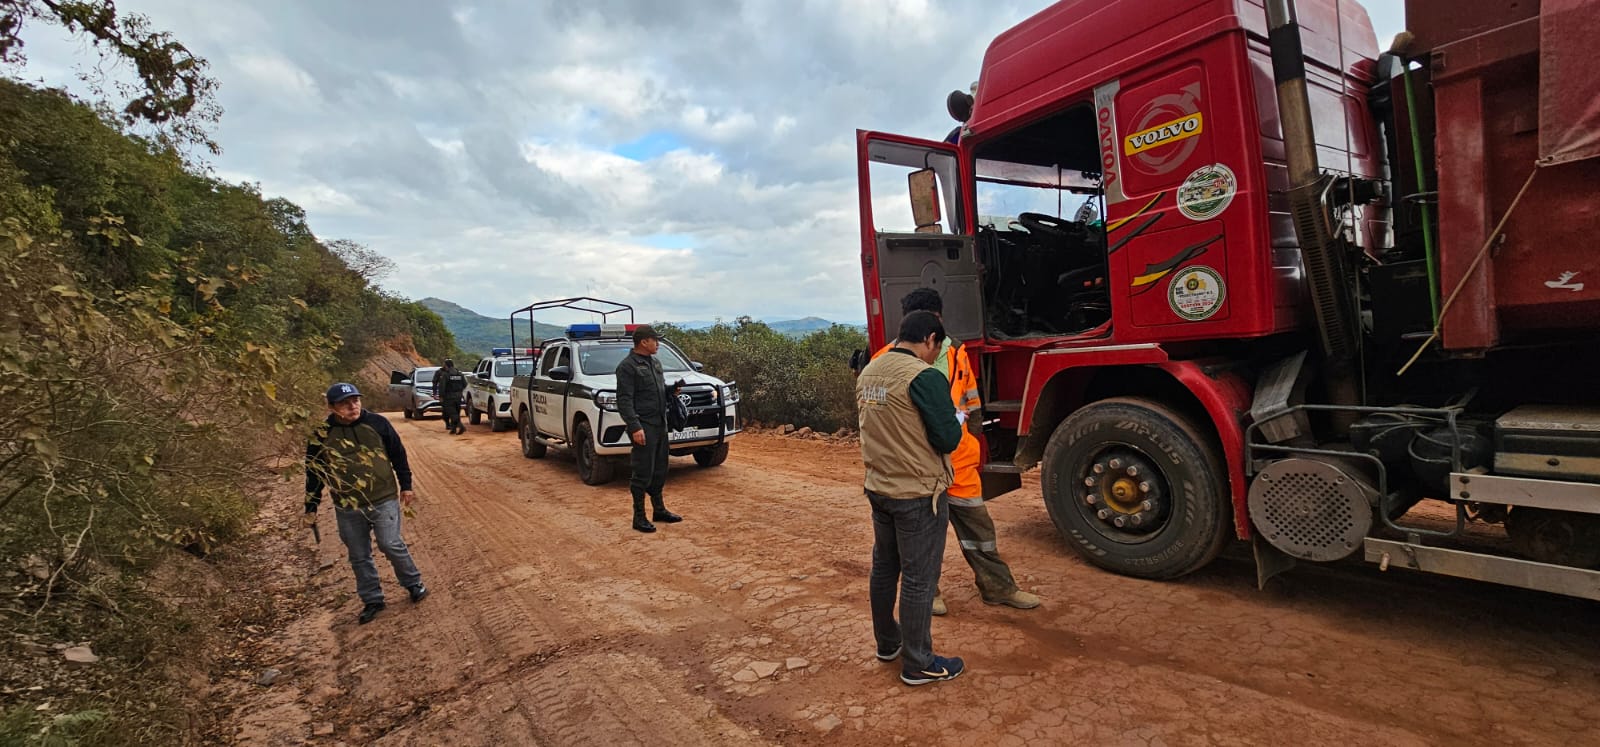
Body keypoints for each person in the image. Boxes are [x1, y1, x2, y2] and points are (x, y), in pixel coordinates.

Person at [877, 289, 1041, 616]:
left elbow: (969, 397)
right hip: (918, 465)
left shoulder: (956, 353)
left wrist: (975, 431)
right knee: (922, 537)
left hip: (960, 461)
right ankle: (928, 592)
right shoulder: (884, 359)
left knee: (979, 530)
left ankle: (998, 587)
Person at [857, 310, 966, 686]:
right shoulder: (925, 377)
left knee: (885, 568)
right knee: (920, 578)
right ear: (931, 339)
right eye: (937, 347)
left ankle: (888, 643)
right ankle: (918, 662)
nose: (935, 354)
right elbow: (947, 438)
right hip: (918, 493)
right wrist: (956, 421)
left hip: (880, 487)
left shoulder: (869, 372)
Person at [304, 383, 428, 624]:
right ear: (331, 407)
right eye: (345, 403)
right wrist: (311, 506)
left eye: (355, 400)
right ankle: (372, 600)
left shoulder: (378, 423)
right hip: (347, 505)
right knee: (359, 555)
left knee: (390, 543)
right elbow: (314, 472)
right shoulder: (321, 433)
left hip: (383, 497)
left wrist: (407, 485)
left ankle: (414, 583)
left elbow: (398, 454)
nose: (353, 406)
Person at [615, 325, 683, 533]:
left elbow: (657, 390)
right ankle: (639, 517)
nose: (658, 344)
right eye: (655, 340)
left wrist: (671, 390)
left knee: (660, 469)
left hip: (660, 424)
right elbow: (624, 400)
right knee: (642, 471)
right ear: (644, 342)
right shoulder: (627, 367)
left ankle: (659, 510)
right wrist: (634, 426)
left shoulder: (655, 362)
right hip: (644, 425)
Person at [432, 359, 468, 435]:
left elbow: (442, 387)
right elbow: (465, 384)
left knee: (452, 413)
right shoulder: (460, 374)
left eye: (444, 365)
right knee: (456, 412)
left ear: (446, 366)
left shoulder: (446, 374)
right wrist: (459, 391)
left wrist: (441, 396)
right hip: (458, 397)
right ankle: (453, 429)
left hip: (448, 397)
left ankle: (461, 427)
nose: (443, 366)